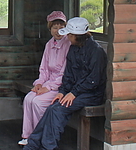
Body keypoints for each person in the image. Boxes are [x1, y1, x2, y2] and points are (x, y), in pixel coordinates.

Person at [23, 17, 107, 150]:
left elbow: (93, 80)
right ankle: (33, 144)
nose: (67, 37)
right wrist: (62, 92)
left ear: (77, 36)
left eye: (69, 34)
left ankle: (48, 147)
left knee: (58, 110)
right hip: (75, 91)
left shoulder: (96, 52)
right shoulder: (74, 48)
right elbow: (68, 75)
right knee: (52, 107)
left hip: (92, 94)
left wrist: (73, 93)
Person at [19, 11, 71, 146]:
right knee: (28, 99)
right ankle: (28, 136)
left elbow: (65, 73)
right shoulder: (49, 44)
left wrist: (48, 87)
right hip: (47, 82)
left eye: (61, 27)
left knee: (38, 103)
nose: (58, 31)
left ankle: (40, 137)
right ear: (50, 29)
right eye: (55, 27)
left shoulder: (68, 45)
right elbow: (44, 68)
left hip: (60, 86)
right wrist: (39, 83)